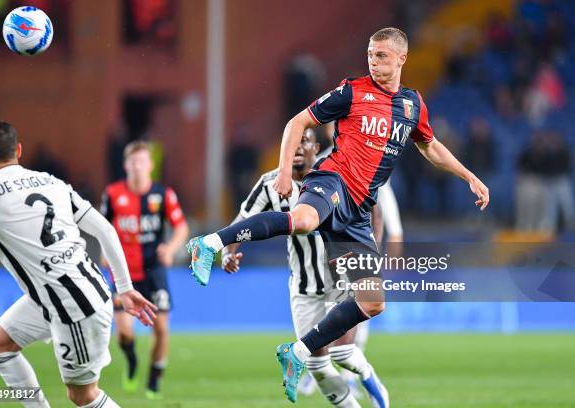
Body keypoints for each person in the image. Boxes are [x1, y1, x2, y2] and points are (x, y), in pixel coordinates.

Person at [187, 27, 489, 402]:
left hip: (358, 211)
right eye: (370, 54)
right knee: (303, 221)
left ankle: (297, 352)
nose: (373, 61)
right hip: (333, 181)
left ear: (401, 58)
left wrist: (468, 176)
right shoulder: (352, 91)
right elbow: (297, 122)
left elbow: (430, 147)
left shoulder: (412, 106)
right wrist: (284, 172)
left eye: (380, 55)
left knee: (372, 301)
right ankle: (211, 242)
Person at [0, 122, 156, 408]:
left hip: (73, 305)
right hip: (74, 290)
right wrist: (125, 288)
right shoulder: (50, 182)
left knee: (83, 395)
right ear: (18, 150)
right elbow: (105, 230)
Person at [221, 128, 388, 408]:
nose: (298, 148)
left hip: (342, 278)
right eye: (293, 143)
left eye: (305, 142)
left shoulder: (336, 176)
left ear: (316, 147)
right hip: (303, 286)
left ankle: (372, 383)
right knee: (318, 368)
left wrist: (372, 256)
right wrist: (228, 252)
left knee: (343, 353)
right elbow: (241, 222)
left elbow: (375, 210)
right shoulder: (269, 184)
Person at [100, 141, 189, 399]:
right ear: (126, 165)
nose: (138, 166)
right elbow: (102, 227)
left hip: (154, 272)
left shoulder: (163, 195)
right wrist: (104, 252)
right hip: (122, 272)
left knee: (161, 329)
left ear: (150, 165)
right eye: (133, 162)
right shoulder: (113, 194)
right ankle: (131, 362)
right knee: (124, 334)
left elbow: (181, 227)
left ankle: (154, 378)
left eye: (142, 161)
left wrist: (171, 249)